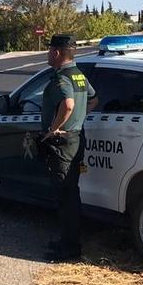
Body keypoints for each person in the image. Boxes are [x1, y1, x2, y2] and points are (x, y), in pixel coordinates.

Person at [39, 33, 97, 262]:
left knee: (65, 196)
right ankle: (67, 241)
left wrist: (54, 128)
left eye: (49, 49)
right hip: (76, 138)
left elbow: (68, 104)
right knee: (70, 193)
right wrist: (78, 119)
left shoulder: (62, 78)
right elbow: (93, 99)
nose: (47, 53)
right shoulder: (79, 75)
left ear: (56, 52)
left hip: (63, 144)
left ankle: (70, 248)